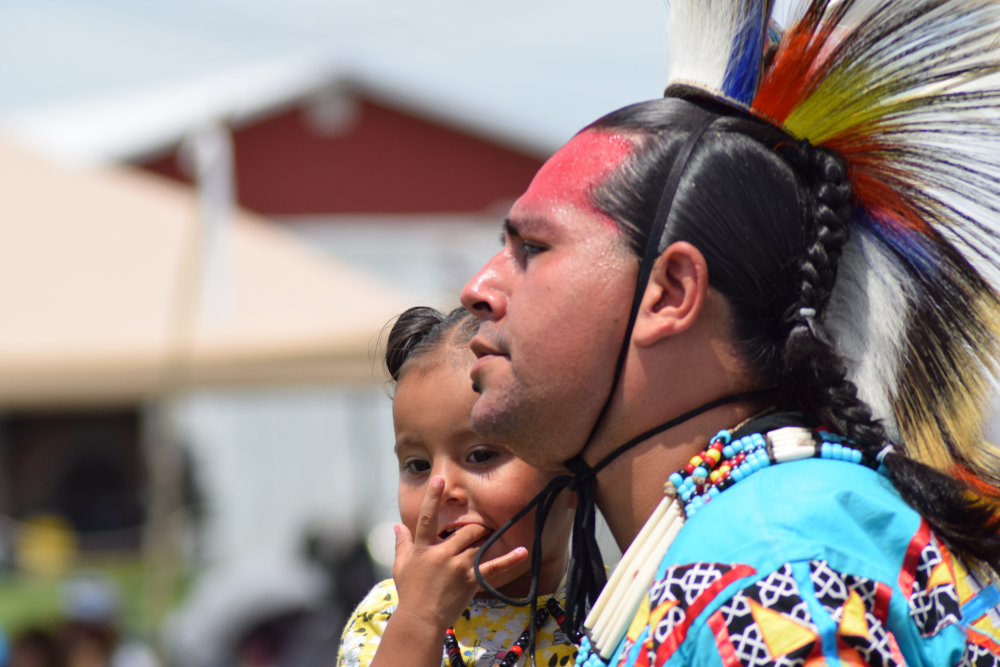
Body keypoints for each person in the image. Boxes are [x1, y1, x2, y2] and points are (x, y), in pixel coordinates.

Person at [459, 2, 1000, 667]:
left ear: (671, 292)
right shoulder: (760, 539)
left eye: (532, 248)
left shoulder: (778, 569)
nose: (478, 288)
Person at [337, 307, 577, 667]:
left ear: (575, 468)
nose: (441, 486)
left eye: (480, 456)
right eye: (417, 465)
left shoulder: (622, 611)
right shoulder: (385, 617)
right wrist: (420, 620)